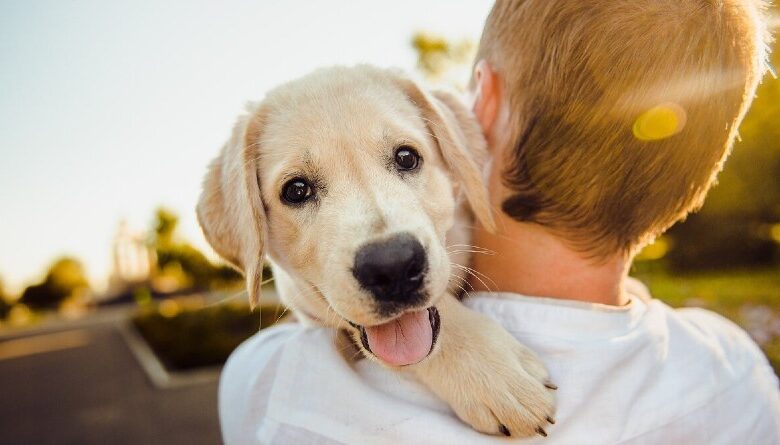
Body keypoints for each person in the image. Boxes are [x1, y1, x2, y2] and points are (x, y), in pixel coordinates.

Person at [219, 1, 780, 443]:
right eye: (299, 190)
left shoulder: (272, 391)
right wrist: (448, 340)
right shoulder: (737, 375)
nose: (385, 247)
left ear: (479, 105)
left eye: (406, 159)